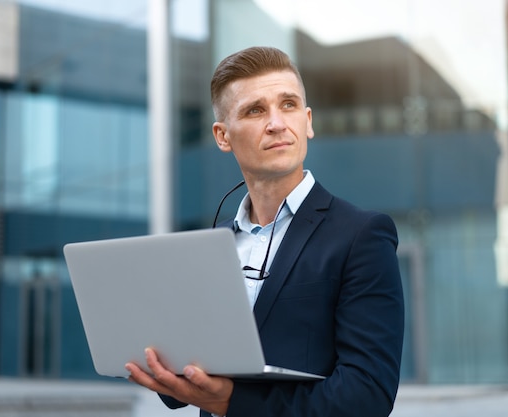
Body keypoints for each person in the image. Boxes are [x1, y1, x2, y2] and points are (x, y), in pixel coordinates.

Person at [125, 46, 404, 417]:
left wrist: (231, 402)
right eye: (255, 110)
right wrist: (164, 366)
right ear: (223, 136)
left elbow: (366, 397)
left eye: (288, 105)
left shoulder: (362, 236)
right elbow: (182, 388)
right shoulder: (209, 246)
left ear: (307, 121)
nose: (276, 123)